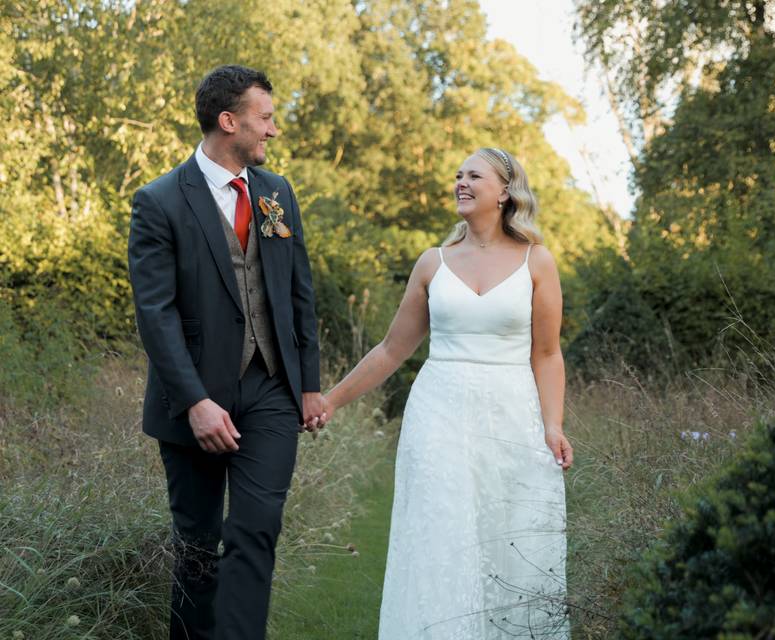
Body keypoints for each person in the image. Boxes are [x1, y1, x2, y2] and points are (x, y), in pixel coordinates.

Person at [320, 147, 573, 638]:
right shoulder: (432, 263)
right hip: (439, 414)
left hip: (512, 416)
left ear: (504, 191)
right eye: (457, 175)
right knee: (439, 537)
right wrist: (331, 399)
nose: (460, 182)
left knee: (513, 540)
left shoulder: (536, 261)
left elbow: (547, 354)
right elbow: (392, 350)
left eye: (473, 175)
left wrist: (553, 425)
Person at [127, 65, 326, 640]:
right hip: (194, 400)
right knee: (196, 545)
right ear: (228, 120)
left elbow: (298, 293)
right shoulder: (159, 201)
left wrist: (307, 383)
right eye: (265, 118)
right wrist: (194, 402)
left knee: (256, 530)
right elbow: (155, 314)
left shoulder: (276, 193)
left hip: (270, 389)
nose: (273, 130)